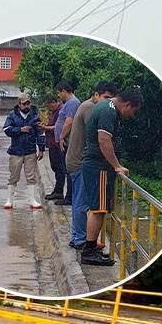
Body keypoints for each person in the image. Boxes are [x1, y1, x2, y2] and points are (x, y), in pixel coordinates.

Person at [80, 88, 144, 266]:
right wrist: (117, 166)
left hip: (95, 164)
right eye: (133, 111)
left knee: (97, 208)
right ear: (128, 105)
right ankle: (89, 251)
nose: (132, 115)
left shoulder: (105, 106)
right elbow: (104, 140)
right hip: (98, 165)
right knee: (98, 209)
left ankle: (91, 248)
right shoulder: (108, 111)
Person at [65, 81, 118, 250]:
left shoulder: (88, 106)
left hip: (75, 159)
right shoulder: (91, 108)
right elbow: (101, 136)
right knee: (83, 203)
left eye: (110, 99)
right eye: (105, 98)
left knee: (78, 202)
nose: (107, 102)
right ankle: (81, 239)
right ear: (96, 95)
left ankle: (77, 236)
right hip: (81, 161)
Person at [2, 93, 45, 209]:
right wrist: (20, 130)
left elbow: (40, 133)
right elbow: (6, 129)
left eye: (28, 103)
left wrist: (41, 149)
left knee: (31, 176)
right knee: (13, 176)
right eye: (24, 104)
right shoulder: (12, 115)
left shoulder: (35, 115)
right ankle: (9, 200)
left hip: (30, 150)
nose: (26, 106)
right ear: (19, 104)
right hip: (16, 151)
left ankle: (32, 200)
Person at [53, 81, 81, 206]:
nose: (59, 95)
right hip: (64, 141)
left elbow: (69, 122)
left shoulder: (73, 103)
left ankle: (69, 197)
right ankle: (68, 195)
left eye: (59, 93)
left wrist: (62, 136)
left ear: (64, 91)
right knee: (65, 168)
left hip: (67, 141)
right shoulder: (69, 103)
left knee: (68, 168)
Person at [40, 96, 66, 201]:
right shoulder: (53, 112)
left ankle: (59, 191)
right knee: (55, 167)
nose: (49, 107)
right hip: (51, 143)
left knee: (59, 168)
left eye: (50, 105)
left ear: (54, 102)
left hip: (57, 144)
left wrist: (46, 128)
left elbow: (59, 126)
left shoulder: (61, 111)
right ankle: (57, 190)